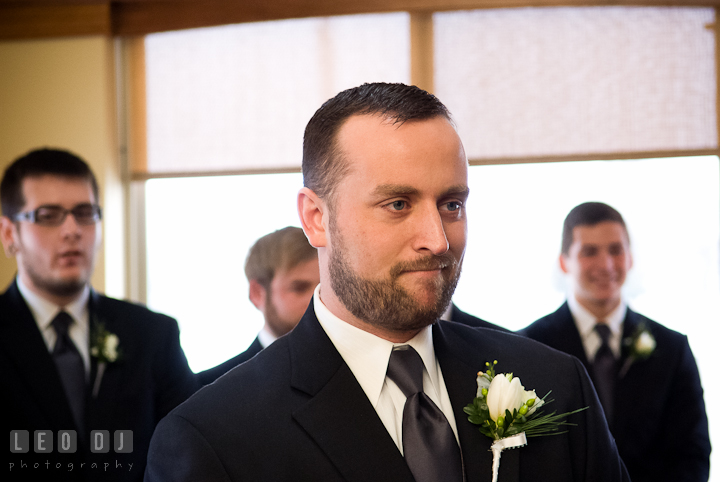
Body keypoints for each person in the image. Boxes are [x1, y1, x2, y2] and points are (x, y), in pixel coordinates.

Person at [145, 83, 629, 481]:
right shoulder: (214, 437)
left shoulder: (554, 384)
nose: (437, 240)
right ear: (316, 219)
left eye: (452, 204)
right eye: (398, 204)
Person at [1, 148, 198, 482]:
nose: (72, 230)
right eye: (48, 216)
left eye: (85, 213)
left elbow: (189, 449)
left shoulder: (152, 334)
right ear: (9, 234)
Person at [520, 202, 710, 482]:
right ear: (564, 262)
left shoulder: (672, 348)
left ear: (630, 258)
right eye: (589, 252)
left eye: (615, 250)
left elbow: (692, 453)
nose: (606, 264)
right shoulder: (529, 346)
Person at [198, 226, 320, 385]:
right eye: (299, 288)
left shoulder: (355, 368)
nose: (317, 299)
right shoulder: (208, 388)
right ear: (257, 293)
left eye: (325, 287)